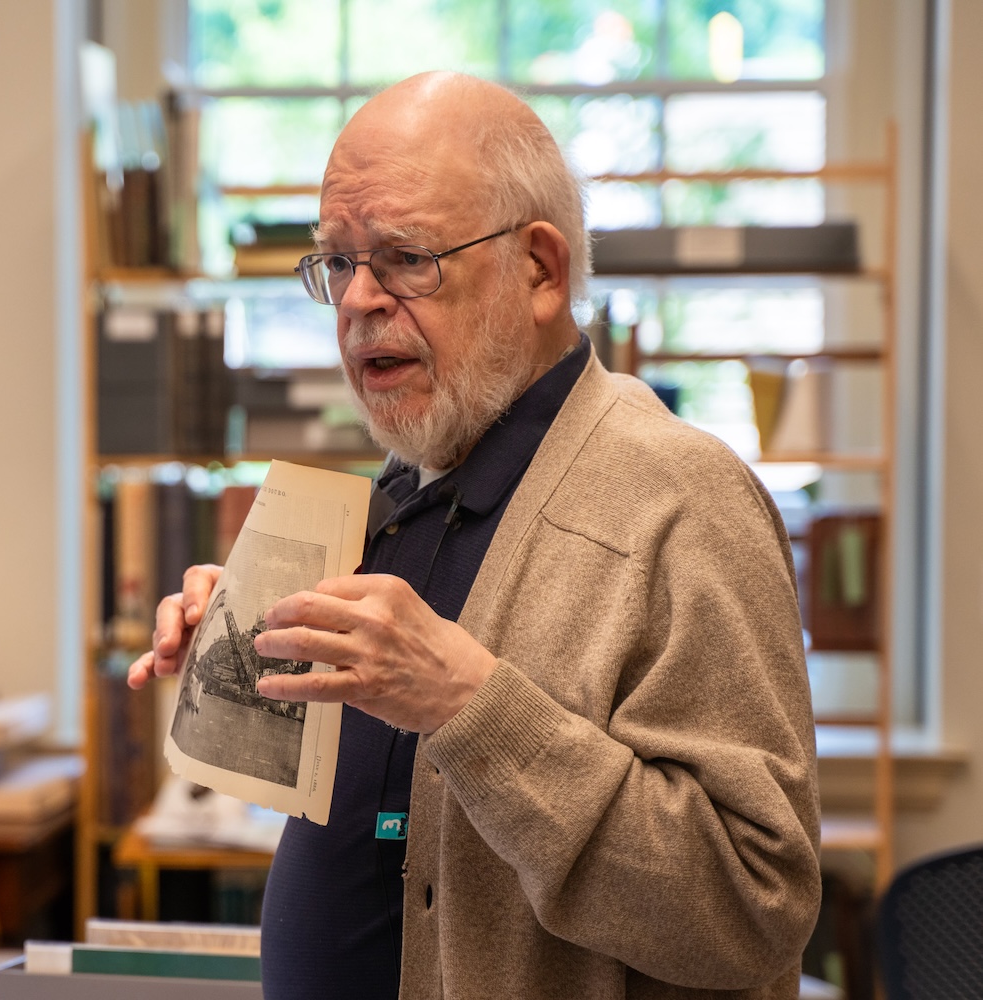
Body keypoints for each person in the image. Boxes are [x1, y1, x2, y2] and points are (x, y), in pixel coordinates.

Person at [129, 71, 820, 1000]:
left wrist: (469, 704)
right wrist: (252, 649)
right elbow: (390, 816)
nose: (356, 300)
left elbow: (752, 909)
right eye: (338, 261)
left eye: (405, 258)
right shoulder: (409, 483)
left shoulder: (683, 499)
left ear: (540, 271)